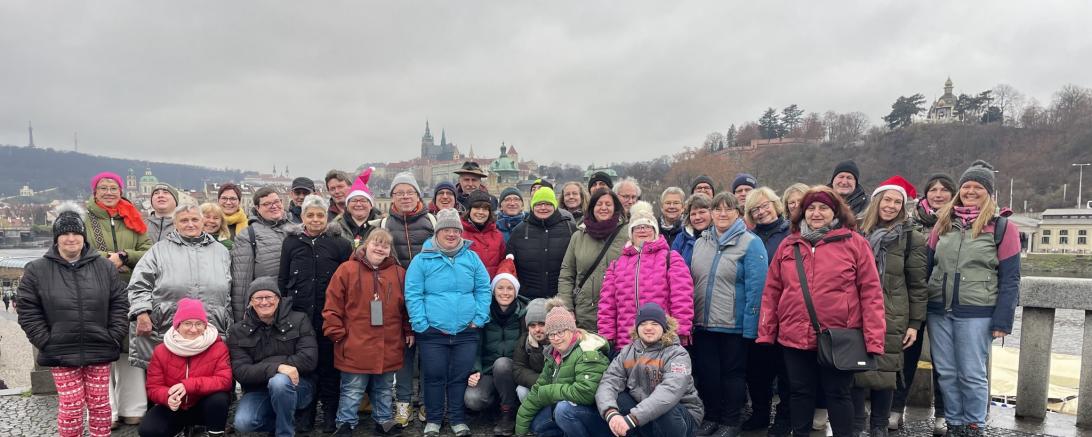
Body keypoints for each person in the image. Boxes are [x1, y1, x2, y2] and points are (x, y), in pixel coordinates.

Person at [756, 185, 886, 437]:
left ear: (835, 211)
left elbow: (871, 293)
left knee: (838, 394)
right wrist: (766, 331)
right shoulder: (788, 245)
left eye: (823, 208)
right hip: (794, 334)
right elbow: (772, 292)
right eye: (810, 208)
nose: (816, 213)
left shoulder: (855, 244)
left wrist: (873, 339)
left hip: (839, 335)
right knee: (800, 393)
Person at [925, 160, 1020, 437]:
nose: (970, 190)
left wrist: (1003, 319)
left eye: (978, 187)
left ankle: (974, 425)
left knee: (971, 373)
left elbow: (1011, 278)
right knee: (946, 372)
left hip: (977, 311)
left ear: (988, 192)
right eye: (966, 186)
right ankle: (955, 423)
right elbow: (927, 267)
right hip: (938, 310)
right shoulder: (943, 223)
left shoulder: (1002, 227)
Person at [17, 203, 128, 437]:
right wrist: (45, 340)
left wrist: (113, 334)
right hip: (60, 350)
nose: (70, 238)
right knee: (71, 407)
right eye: (64, 233)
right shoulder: (37, 270)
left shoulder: (104, 267)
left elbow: (119, 303)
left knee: (100, 405)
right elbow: (27, 310)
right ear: (56, 238)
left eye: (75, 233)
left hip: (99, 345)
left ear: (83, 236)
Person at [405, 208, 492, 437]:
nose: (451, 234)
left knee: (459, 377)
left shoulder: (472, 258)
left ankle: (457, 419)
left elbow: (483, 288)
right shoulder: (422, 260)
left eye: (455, 230)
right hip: (433, 331)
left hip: (466, 331)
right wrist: (421, 323)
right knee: (433, 376)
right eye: (446, 229)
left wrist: (479, 317)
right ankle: (433, 420)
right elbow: (413, 293)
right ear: (437, 232)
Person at [852, 176, 928, 437]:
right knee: (856, 368)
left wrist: (914, 324)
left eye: (898, 201)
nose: (892, 206)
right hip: (858, 310)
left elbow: (918, 285)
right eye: (888, 199)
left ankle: (879, 426)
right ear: (877, 200)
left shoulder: (911, 239)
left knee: (886, 372)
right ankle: (857, 425)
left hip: (892, 313)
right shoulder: (857, 232)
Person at [687, 192, 767, 437]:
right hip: (703, 323)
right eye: (717, 209)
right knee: (709, 374)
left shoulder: (751, 243)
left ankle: (731, 421)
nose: (722, 214)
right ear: (711, 213)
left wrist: (751, 327)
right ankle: (711, 416)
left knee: (733, 376)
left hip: (734, 324)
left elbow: (757, 288)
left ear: (738, 213)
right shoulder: (702, 242)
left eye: (728, 209)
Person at [323, 229, 411, 436]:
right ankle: (345, 423)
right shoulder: (346, 270)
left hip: (388, 341)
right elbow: (333, 303)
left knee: (384, 387)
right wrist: (335, 331)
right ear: (366, 245)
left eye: (385, 245)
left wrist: (408, 329)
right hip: (354, 341)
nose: (380, 248)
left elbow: (406, 307)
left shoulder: (399, 273)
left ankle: (383, 420)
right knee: (352, 389)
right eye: (376, 243)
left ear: (390, 250)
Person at [278, 194, 353, 432]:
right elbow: (282, 278)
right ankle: (306, 412)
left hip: (330, 315)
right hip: (300, 316)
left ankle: (330, 412)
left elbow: (348, 281)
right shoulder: (291, 242)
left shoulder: (339, 243)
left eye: (320, 215)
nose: (315, 219)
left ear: (327, 217)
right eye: (310, 215)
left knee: (330, 366)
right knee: (305, 365)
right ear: (303, 217)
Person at [128, 203, 233, 373]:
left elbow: (229, 291)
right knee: (166, 386)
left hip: (212, 328)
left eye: (194, 219)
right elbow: (139, 284)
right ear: (175, 224)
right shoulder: (158, 251)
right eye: (184, 220)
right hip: (166, 328)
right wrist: (141, 312)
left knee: (209, 385)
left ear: (202, 222)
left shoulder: (221, 252)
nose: (190, 224)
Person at [85, 172, 152, 427]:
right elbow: (80, 249)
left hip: (131, 290)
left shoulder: (132, 216)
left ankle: (133, 406)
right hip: (97, 291)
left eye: (114, 187)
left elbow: (148, 249)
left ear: (121, 190)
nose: (109, 192)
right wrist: (107, 259)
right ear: (95, 192)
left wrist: (124, 256)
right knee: (102, 351)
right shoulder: (86, 219)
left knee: (130, 348)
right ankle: (106, 411)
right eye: (104, 188)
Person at [891, 173, 955, 434]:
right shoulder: (909, 221)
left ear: (953, 194)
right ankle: (896, 409)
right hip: (910, 297)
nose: (938, 194)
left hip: (944, 300)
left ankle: (943, 414)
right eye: (933, 190)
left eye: (943, 190)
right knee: (905, 356)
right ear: (925, 194)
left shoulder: (959, 222)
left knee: (944, 360)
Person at [598, 201, 694, 352]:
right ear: (631, 232)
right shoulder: (617, 265)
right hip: (626, 343)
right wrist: (606, 334)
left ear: (655, 231)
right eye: (637, 227)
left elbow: (682, 298)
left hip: (662, 341)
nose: (642, 230)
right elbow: (607, 305)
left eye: (647, 226)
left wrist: (680, 332)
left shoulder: (671, 258)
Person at [596, 303, 704, 437]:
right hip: (643, 415)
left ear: (664, 327)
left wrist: (632, 418)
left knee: (665, 408)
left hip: (681, 416)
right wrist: (611, 413)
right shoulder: (627, 352)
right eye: (643, 324)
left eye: (654, 323)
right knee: (619, 398)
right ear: (636, 327)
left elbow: (669, 392)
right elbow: (609, 382)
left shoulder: (677, 354)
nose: (648, 328)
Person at [229, 277, 318, 437]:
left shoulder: (299, 320)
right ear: (251, 301)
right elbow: (241, 372)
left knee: (279, 382)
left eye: (269, 297)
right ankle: (286, 419)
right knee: (243, 423)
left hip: (298, 386)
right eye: (258, 298)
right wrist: (278, 367)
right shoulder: (238, 331)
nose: (264, 302)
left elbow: (309, 359)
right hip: (258, 390)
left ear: (278, 298)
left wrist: (264, 368)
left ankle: (284, 433)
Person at [382, 172, 436, 426]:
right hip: (396, 299)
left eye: (409, 192)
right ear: (392, 196)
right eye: (399, 192)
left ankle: (426, 402)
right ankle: (403, 404)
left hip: (428, 299)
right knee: (403, 355)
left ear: (418, 195)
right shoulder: (384, 224)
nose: (404, 196)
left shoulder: (431, 221)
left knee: (427, 354)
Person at [514, 300, 612, 437]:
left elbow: (586, 393)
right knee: (536, 424)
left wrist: (550, 391)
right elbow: (538, 389)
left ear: (571, 330)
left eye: (561, 332)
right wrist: (520, 431)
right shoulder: (553, 354)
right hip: (572, 408)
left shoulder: (588, 351)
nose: (556, 338)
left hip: (596, 415)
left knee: (563, 410)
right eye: (552, 334)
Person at [139, 299, 232, 437]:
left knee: (219, 399)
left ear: (205, 325)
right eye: (188, 323)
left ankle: (214, 433)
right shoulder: (161, 351)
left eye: (199, 324)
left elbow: (225, 380)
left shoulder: (218, 347)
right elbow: (153, 387)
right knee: (147, 430)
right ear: (177, 325)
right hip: (175, 407)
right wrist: (167, 397)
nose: (194, 329)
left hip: (204, 405)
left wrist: (188, 386)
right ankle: (180, 429)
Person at [741, 187, 793, 434]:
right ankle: (760, 413)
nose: (761, 212)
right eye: (755, 209)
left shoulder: (791, 232)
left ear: (776, 204)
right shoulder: (747, 236)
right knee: (758, 370)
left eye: (765, 206)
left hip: (785, 310)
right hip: (756, 312)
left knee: (786, 370)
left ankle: (784, 418)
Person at [464, 256, 527, 436]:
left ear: (516, 291)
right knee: (473, 399)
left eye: (509, 288)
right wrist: (475, 370)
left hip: (514, 370)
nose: (505, 292)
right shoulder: (484, 312)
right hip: (488, 370)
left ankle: (508, 413)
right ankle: (495, 405)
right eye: (500, 288)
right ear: (493, 290)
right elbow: (475, 345)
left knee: (502, 364)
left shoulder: (524, 313)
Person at [557, 188, 628, 331]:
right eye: (599, 204)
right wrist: (567, 308)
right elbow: (566, 275)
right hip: (585, 314)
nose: (603, 208)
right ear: (592, 208)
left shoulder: (628, 234)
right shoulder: (579, 237)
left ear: (615, 208)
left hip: (621, 312)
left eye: (608, 204)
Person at [230, 187, 291, 323]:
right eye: (267, 204)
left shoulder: (296, 229)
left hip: (292, 307)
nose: (274, 206)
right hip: (264, 309)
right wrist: (242, 321)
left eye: (276, 201)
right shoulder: (248, 236)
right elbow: (241, 283)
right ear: (257, 208)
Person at [506, 187, 576, 299]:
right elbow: (510, 266)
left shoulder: (570, 229)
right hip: (528, 299)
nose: (543, 207)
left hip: (563, 298)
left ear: (555, 205)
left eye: (548, 203)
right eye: (538, 204)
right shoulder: (519, 231)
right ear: (533, 206)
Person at [331, 168, 380, 249]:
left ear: (371, 205)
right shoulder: (335, 227)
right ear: (347, 205)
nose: (358, 204)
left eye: (363, 200)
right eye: (354, 200)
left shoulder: (382, 225)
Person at [462, 190, 506, 276]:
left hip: (492, 285)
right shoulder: (459, 234)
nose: (481, 212)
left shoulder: (497, 235)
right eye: (477, 208)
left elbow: (503, 262)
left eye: (485, 209)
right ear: (469, 210)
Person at [512, 299, 548, 402]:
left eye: (541, 324)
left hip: (556, 387)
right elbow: (518, 369)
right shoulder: (525, 341)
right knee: (521, 390)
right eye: (532, 325)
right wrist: (541, 381)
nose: (537, 329)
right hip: (536, 383)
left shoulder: (558, 340)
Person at [671, 193, 713, 265]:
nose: (697, 217)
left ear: (712, 213)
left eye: (702, 212)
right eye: (693, 214)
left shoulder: (719, 235)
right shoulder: (681, 238)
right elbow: (673, 265)